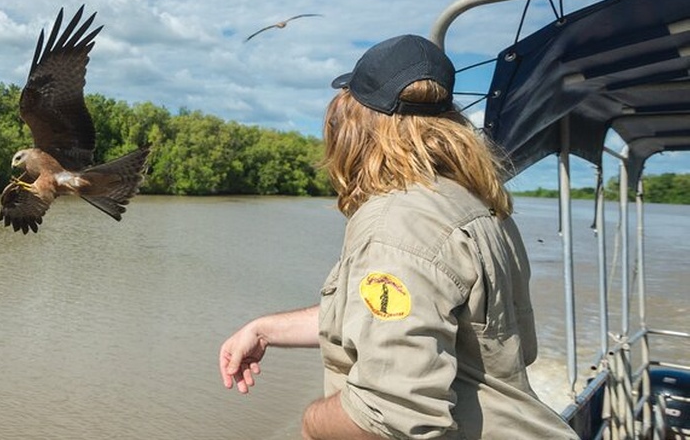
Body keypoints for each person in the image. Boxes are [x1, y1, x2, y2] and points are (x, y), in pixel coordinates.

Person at [218, 35, 580, 439]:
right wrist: (265, 328)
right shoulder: (476, 205)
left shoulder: (397, 227)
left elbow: (392, 414)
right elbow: (391, 311)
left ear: (357, 122)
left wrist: (312, 425)